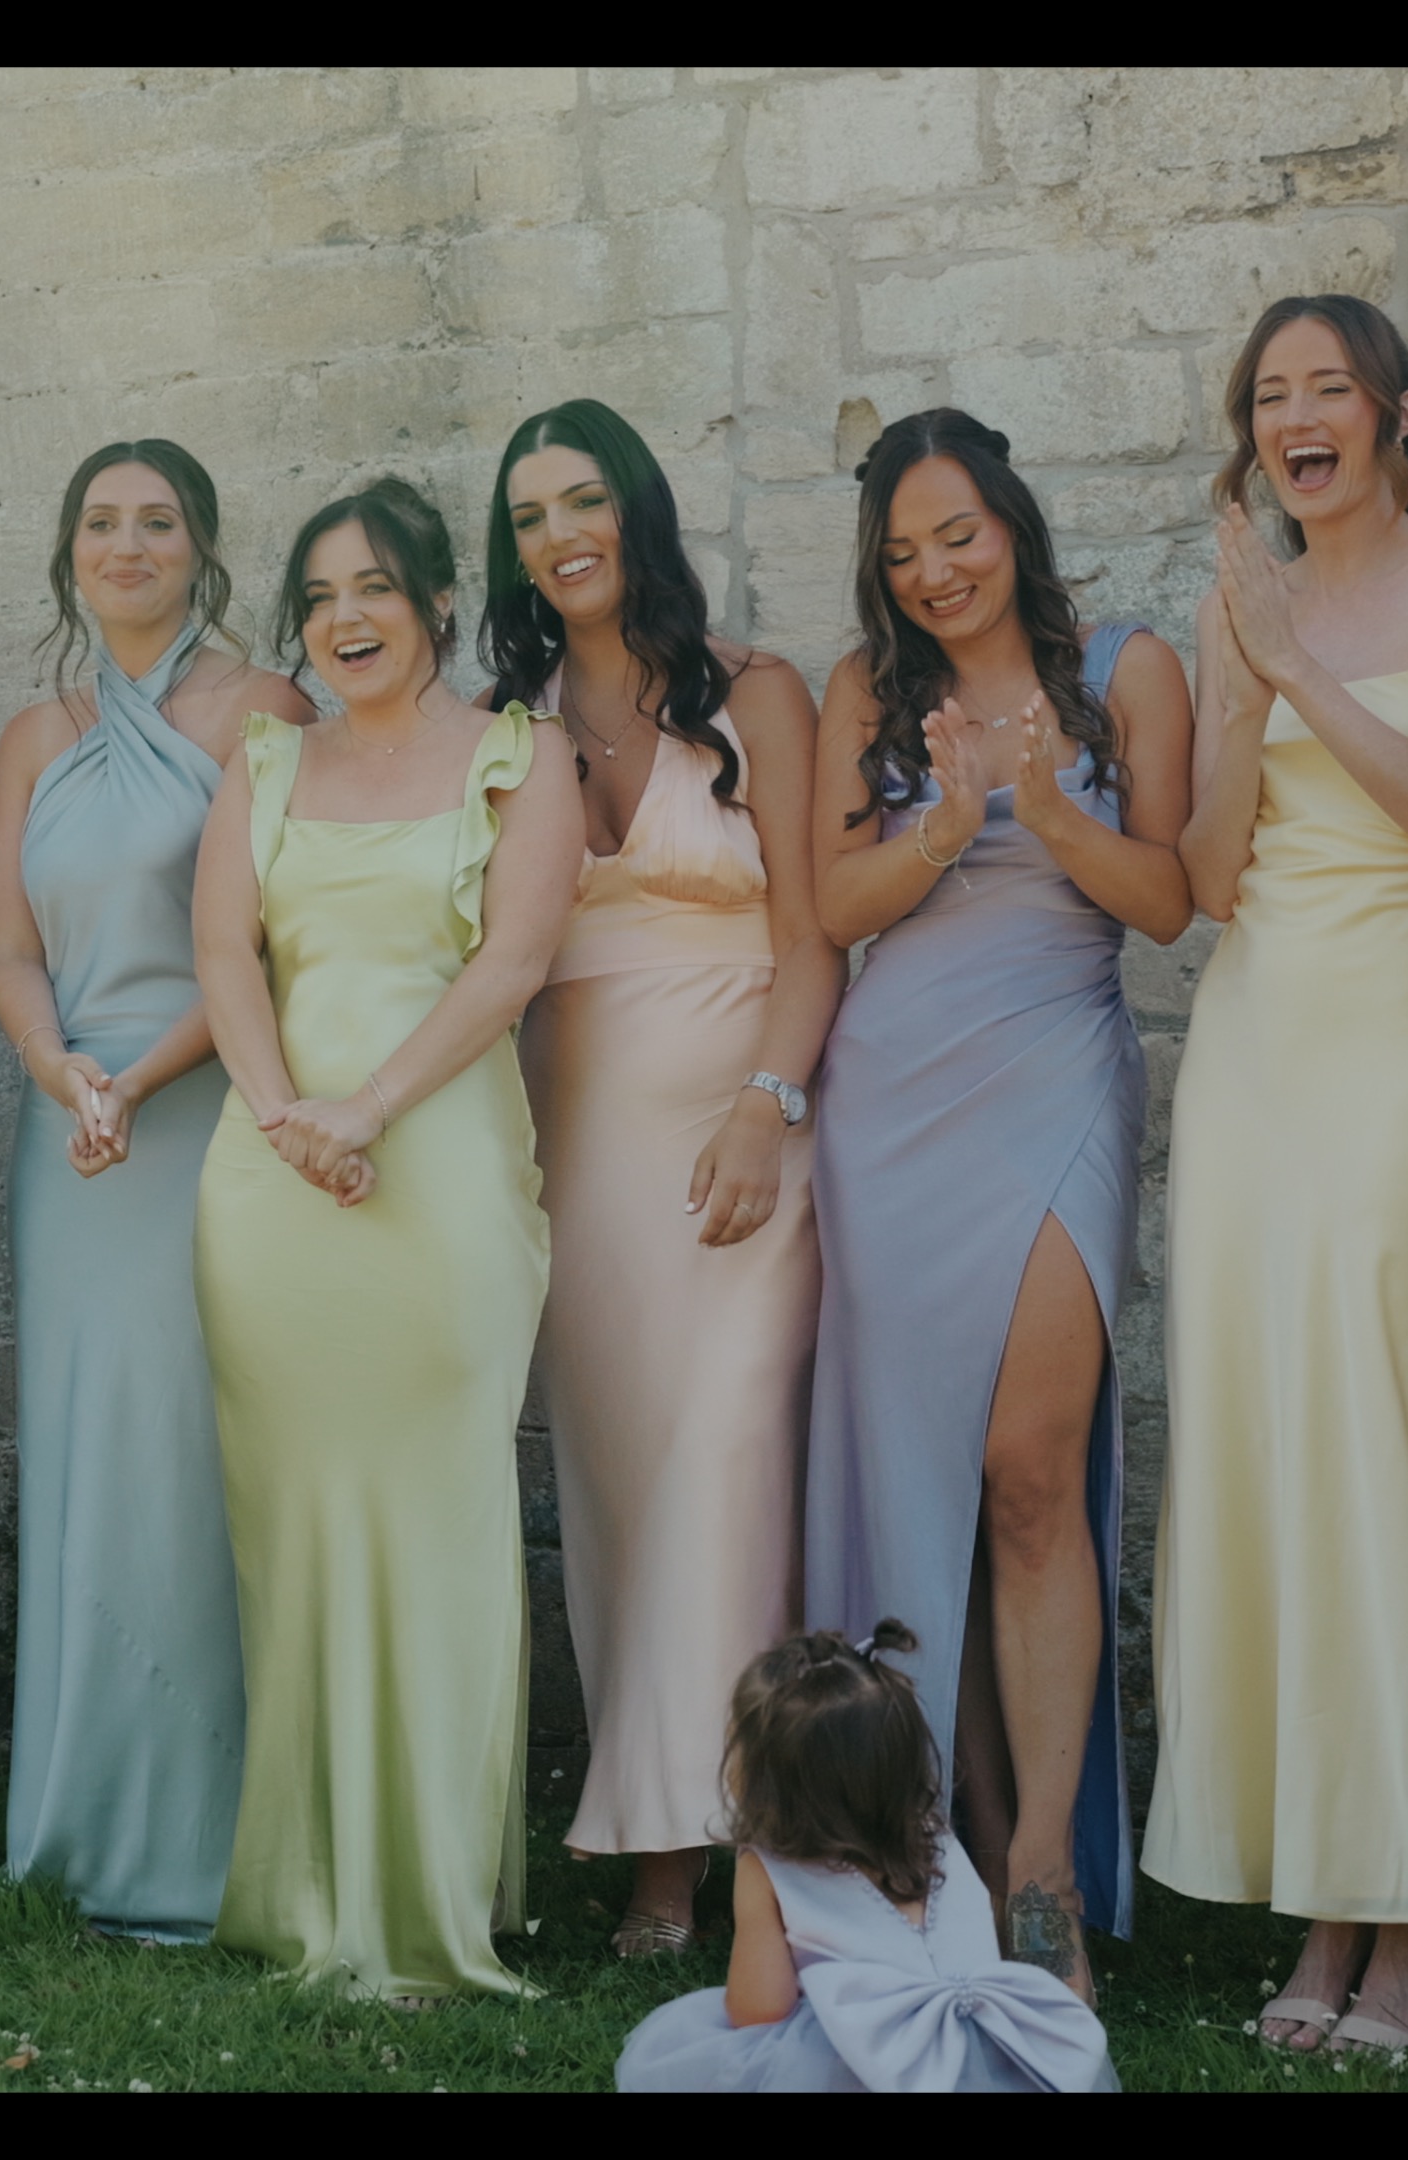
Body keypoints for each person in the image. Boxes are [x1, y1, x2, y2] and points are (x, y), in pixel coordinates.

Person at [804, 412, 1193, 2000]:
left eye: (956, 535)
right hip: (893, 1100)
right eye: (902, 554)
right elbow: (832, 906)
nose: (934, 572)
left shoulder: (1130, 668)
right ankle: (946, 1848)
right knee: (920, 1489)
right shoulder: (863, 693)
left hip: (1055, 1075)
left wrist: (1049, 799)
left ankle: (1046, 1869)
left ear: (1013, 524)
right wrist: (949, 828)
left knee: (1030, 1469)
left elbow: (1167, 903)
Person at [1152, 296, 1408, 2053]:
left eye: (1327, 389)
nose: (1297, 415)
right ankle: (1328, 1910)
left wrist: (1296, 674)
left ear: (1397, 414)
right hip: (1253, 1056)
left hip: (1394, 1055)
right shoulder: (1240, 604)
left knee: (1391, 1463)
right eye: (1269, 395)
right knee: (1278, 1475)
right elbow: (1213, 874)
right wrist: (1241, 677)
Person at [191, 478, 582, 2001]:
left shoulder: (518, 756)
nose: (345, 620)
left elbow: (517, 962)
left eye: (375, 592)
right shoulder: (266, 762)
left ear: (434, 609)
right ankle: (303, 1894)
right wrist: (289, 1110)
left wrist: (370, 1109)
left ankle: (431, 1904)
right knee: (298, 1534)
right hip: (272, 1182)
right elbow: (224, 945)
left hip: (442, 1177)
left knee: (441, 1525)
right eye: (320, 598)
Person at [484, 399, 837, 1956]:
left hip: (747, 1147)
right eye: (528, 517)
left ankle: (717, 1857)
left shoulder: (755, 691)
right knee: (624, 1505)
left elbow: (818, 931)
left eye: (582, 502)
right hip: (586, 1168)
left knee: (729, 1480)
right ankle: (657, 1824)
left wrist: (771, 1103)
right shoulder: (518, 724)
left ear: (637, 507)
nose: (559, 536)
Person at [0, 440, 308, 1939]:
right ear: (68, 552)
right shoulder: (32, 735)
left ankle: (212, 1842)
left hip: (208, 1114)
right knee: (86, 1464)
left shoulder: (263, 712)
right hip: (75, 1140)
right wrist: (62, 1076)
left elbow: (271, 948)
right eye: (100, 521)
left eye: (156, 521)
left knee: (196, 1464)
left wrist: (139, 1079)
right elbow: (9, 950)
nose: (127, 545)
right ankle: (81, 1830)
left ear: (203, 544)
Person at [614, 1621, 1117, 2093]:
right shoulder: (938, 1838)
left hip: (854, 2064)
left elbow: (759, 2008)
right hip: (984, 2047)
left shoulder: (766, 1869)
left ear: (762, 1780)